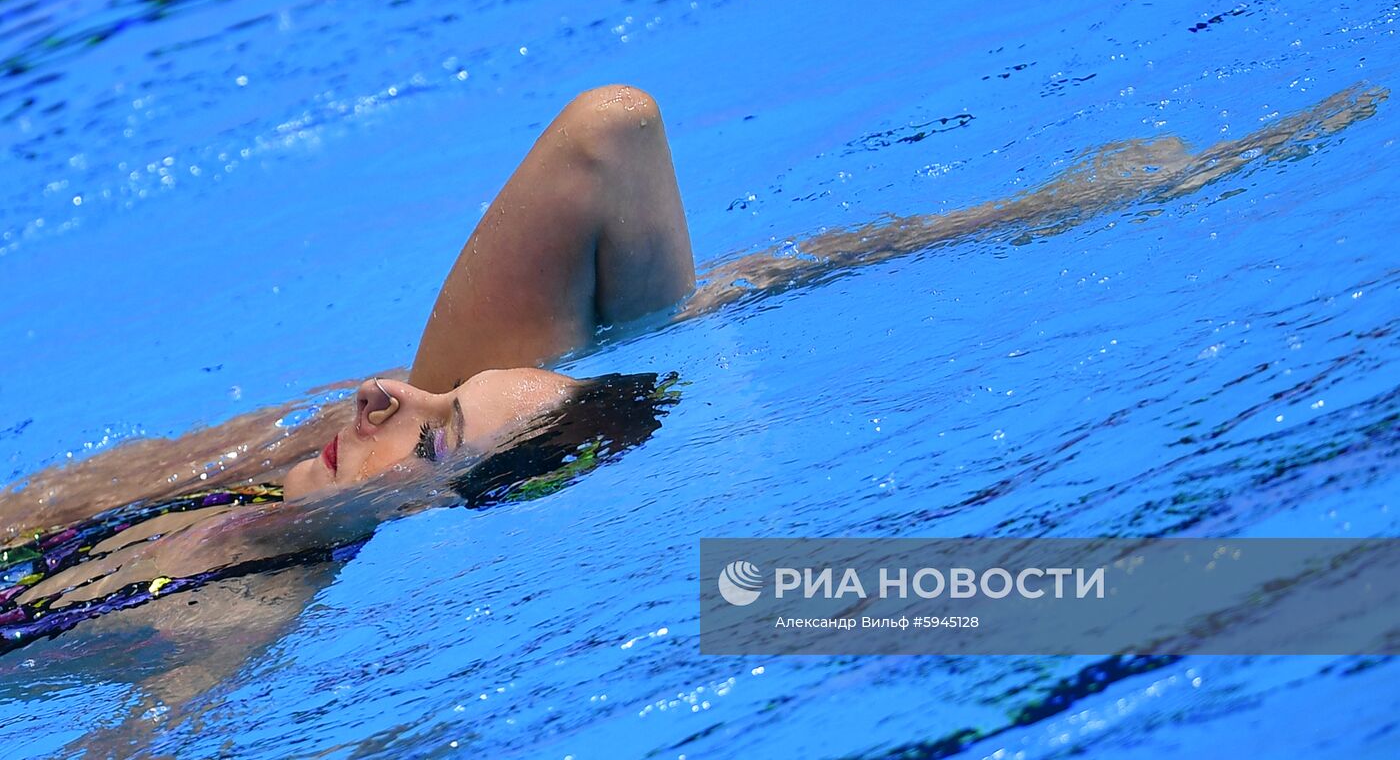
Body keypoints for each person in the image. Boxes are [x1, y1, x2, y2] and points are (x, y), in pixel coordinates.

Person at [0, 81, 1386, 752]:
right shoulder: (257, 453)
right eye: (431, 393)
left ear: (427, 503)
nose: (389, 390)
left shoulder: (237, 621)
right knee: (614, 142)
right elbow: (630, 144)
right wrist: (1044, 209)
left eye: (429, 430)